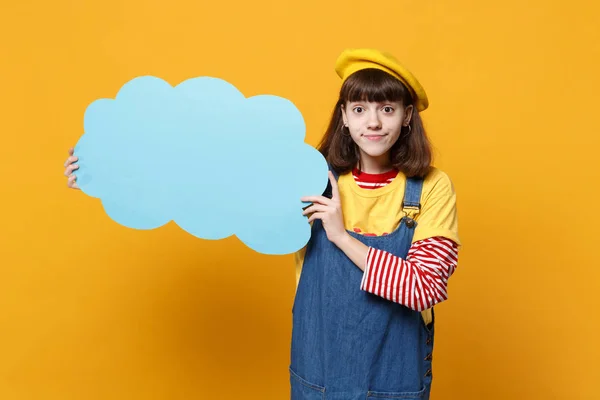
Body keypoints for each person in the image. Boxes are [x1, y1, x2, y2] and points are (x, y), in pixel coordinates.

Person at [63, 48, 460, 400]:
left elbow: (423, 287)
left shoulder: (430, 189)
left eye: (386, 109)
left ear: (407, 116)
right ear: (344, 116)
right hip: (317, 376)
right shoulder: (309, 177)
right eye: (359, 109)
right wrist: (103, 164)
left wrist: (339, 236)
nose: (372, 123)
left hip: (395, 380)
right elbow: (207, 173)